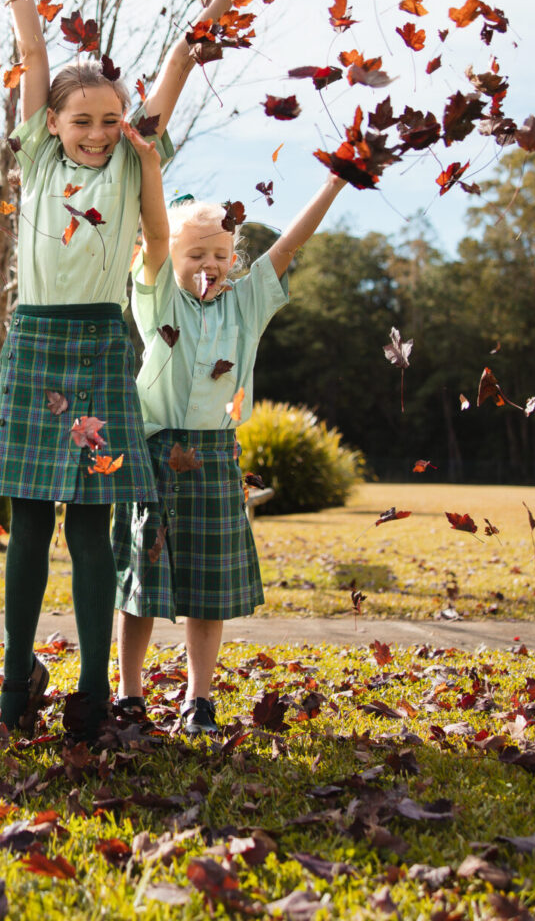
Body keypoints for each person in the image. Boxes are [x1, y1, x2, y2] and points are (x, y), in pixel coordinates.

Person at [0, 0, 296, 741]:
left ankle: (90, 693)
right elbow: (33, 52)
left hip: (100, 343)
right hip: (35, 340)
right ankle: (16, 683)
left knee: (91, 532)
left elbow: (183, 56)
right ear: (52, 124)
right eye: (81, 121)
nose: (95, 132)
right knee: (29, 529)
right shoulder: (39, 154)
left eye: (109, 120)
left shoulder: (131, 161)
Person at [112, 173, 344, 735]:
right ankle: (129, 695)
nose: (209, 264)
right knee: (141, 586)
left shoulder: (246, 304)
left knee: (208, 590)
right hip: (152, 452)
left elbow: (288, 246)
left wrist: (334, 184)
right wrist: (149, 166)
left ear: (234, 259)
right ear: (170, 257)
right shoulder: (159, 296)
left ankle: (199, 700)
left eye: (220, 254)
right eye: (195, 254)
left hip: (216, 456)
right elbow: (155, 237)